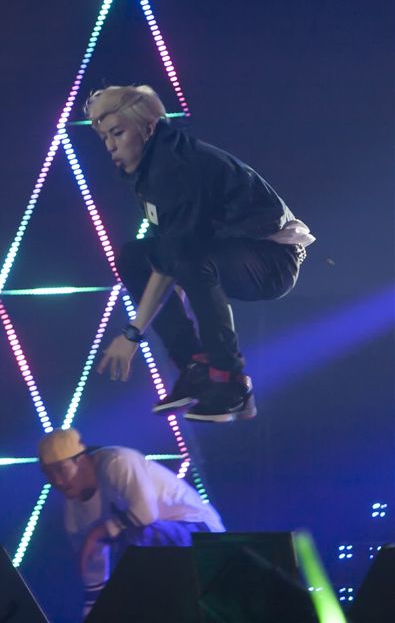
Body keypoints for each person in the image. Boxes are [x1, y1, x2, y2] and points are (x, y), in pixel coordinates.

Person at [85, 84, 315, 422]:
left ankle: (230, 382)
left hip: (273, 260)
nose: (110, 146)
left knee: (189, 260)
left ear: (148, 128)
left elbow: (174, 259)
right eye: (104, 137)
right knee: (134, 257)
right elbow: (165, 255)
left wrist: (133, 333)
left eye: (117, 133)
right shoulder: (150, 169)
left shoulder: (176, 166)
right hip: (227, 250)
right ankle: (196, 367)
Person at [38, 428, 224, 618]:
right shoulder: (74, 516)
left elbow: (146, 514)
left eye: (61, 469)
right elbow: (94, 583)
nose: (57, 481)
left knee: (135, 536)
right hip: (160, 558)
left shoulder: (117, 461)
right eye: (48, 474)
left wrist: (100, 531)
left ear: (82, 459)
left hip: (200, 533)